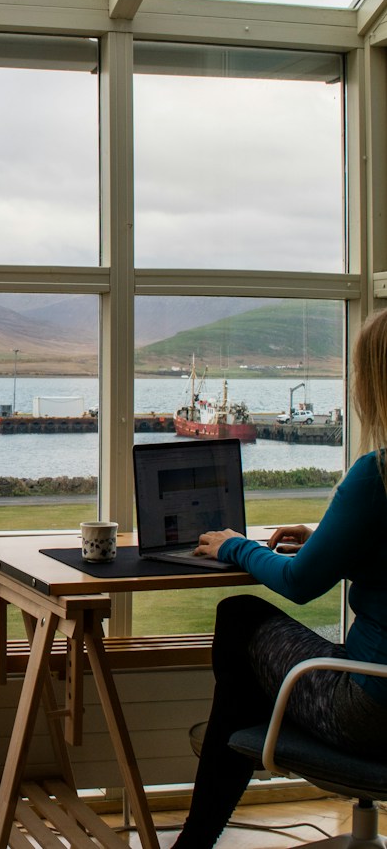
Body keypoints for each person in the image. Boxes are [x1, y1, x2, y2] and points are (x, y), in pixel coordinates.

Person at [173, 308, 387, 849]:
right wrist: (328, 536)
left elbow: (298, 583)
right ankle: (240, 734)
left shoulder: (377, 477)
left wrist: (233, 546)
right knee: (248, 674)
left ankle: (212, 803)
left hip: (371, 711)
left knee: (240, 617)